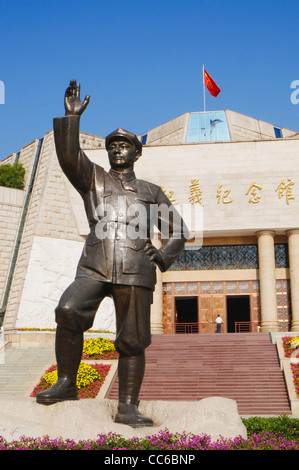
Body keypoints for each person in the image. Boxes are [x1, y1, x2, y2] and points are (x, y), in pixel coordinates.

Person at [36, 80, 187, 428]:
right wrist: (71, 119)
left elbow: (179, 231)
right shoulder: (95, 180)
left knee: (132, 340)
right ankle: (66, 384)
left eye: (125, 146)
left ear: (137, 153)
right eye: (114, 146)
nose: (119, 150)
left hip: (136, 269)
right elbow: (69, 157)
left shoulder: (151, 192)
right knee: (68, 309)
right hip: (95, 265)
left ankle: (128, 406)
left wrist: (162, 255)